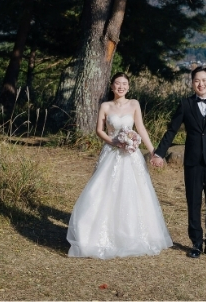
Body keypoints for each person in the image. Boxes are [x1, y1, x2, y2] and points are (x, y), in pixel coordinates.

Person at [67, 72, 173, 258]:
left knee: (133, 192)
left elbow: (140, 128)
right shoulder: (105, 106)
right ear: (112, 86)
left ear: (128, 87)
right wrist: (114, 142)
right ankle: (98, 233)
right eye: (117, 84)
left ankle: (130, 234)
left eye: (124, 84)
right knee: (104, 190)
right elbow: (99, 130)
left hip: (131, 156)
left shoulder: (134, 104)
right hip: (112, 152)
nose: (121, 87)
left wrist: (153, 151)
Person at [150, 66, 206, 258]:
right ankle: (196, 242)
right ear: (192, 83)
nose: (200, 84)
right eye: (197, 80)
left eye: (204, 80)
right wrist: (159, 154)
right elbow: (171, 130)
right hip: (193, 162)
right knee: (193, 202)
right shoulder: (185, 104)